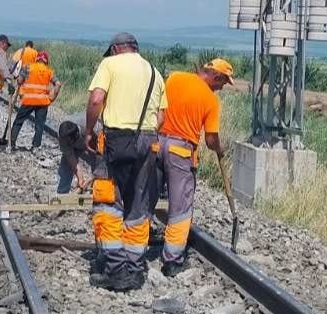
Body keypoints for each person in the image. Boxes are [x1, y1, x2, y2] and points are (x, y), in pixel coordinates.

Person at [84, 32, 167, 291]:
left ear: (116, 49)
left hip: (116, 140)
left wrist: (89, 131)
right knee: (138, 204)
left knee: (108, 201)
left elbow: (97, 99)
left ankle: (116, 269)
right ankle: (134, 266)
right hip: (149, 141)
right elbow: (162, 117)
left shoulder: (110, 64)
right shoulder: (154, 72)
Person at [152, 58, 235, 277]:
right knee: (180, 208)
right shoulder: (210, 100)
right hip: (181, 152)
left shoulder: (175, 78)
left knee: (146, 197)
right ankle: (173, 259)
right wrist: (219, 149)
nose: (221, 88)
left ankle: (133, 248)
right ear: (216, 76)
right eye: (223, 83)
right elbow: (210, 139)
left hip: (157, 142)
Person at [10, 51, 61, 152]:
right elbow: (58, 84)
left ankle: (11, 143)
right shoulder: (49, 71)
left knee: (18, 121)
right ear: (46, 61)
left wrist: (20, 82)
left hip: (28, 100)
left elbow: (19, 81)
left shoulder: (28, 67)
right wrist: (52, 97)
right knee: (40, 125)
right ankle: (36, 146)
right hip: (42, 102)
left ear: (37, 59)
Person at [57, 120, 97, 194]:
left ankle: (97, 192)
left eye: (69, 142)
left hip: (91, 143)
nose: (67, 143)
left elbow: (103, 159)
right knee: (66, 166)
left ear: (77, 134)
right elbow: (71, 159)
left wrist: (92, 177)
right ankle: (62, 194)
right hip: (79, 142)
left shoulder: (92, 130)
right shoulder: (63, 136)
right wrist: (80, 178)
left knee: (97, 167)